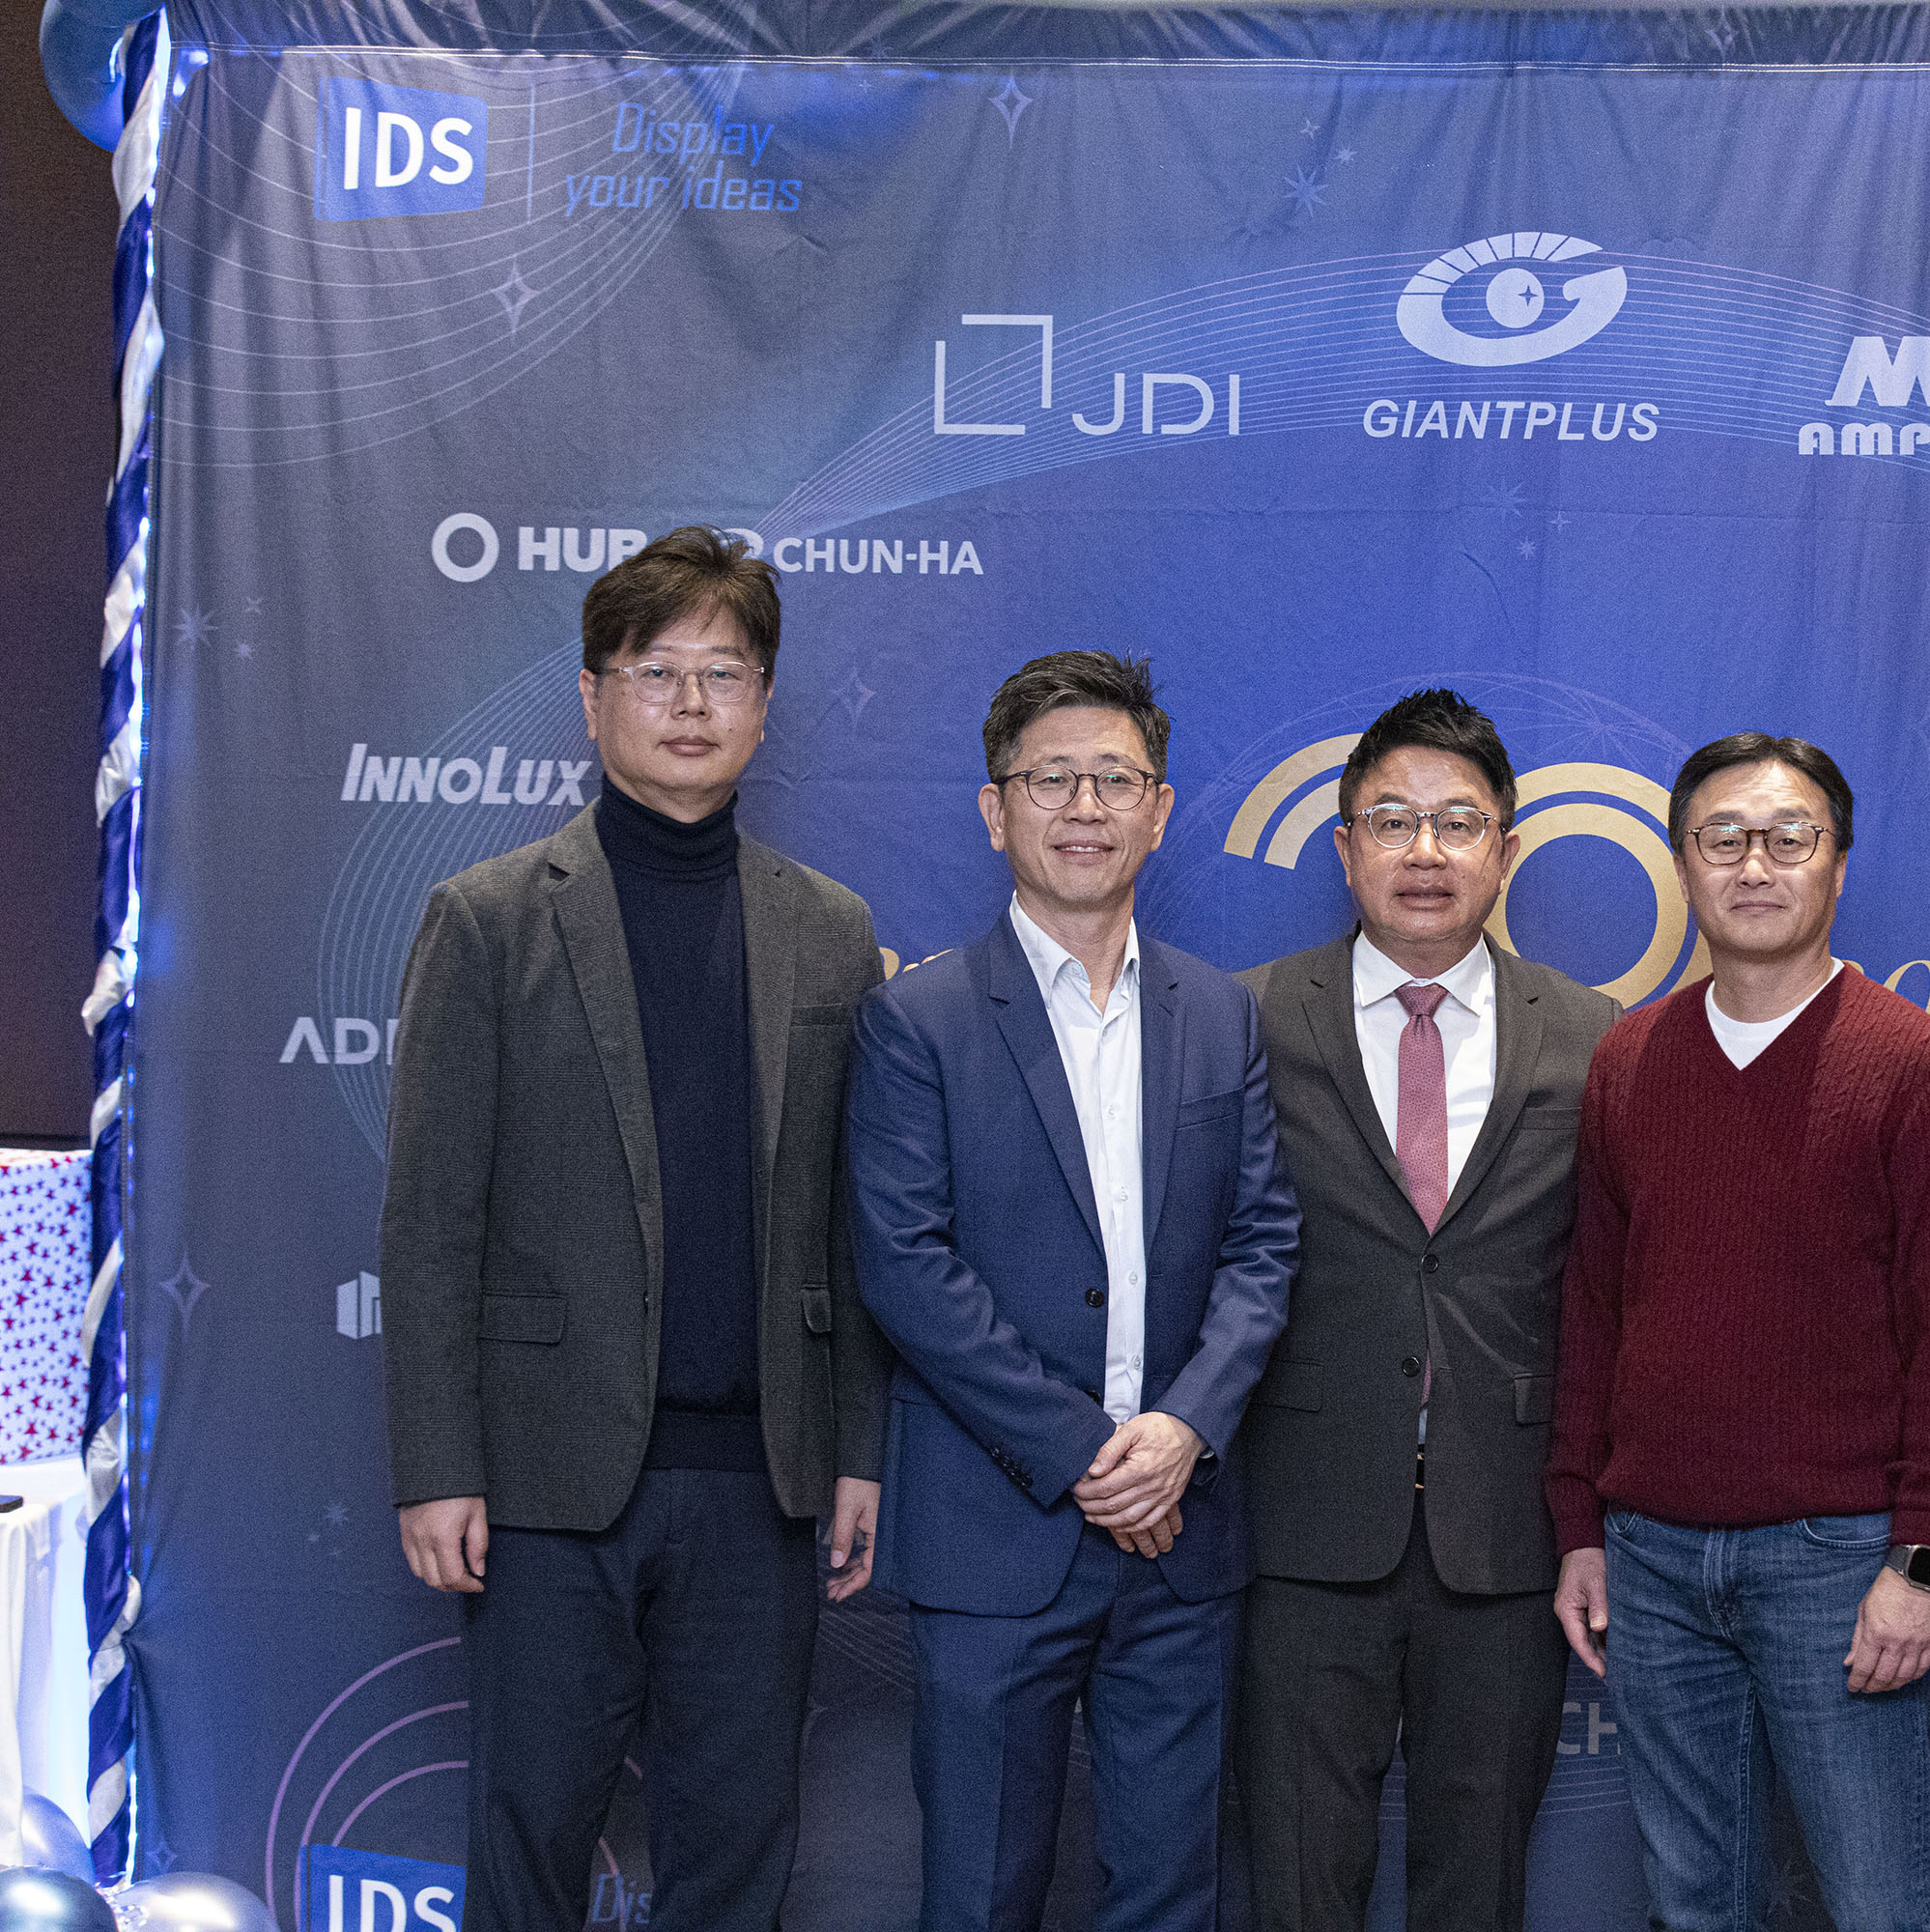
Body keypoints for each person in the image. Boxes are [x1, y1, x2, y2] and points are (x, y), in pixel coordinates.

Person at [380, 526, 888, 1932]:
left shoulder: (829, 929)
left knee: (737, 1855)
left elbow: (848, 1222)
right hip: (545, 1482)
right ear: (593, 696)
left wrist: (857, 1447)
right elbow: (429, 1221)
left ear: (764, 704)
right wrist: (438, 1465)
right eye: (656, 670)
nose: (690, 703)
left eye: (724, 672)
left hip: (758, 1485)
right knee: (529, 1843)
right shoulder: (488, 921)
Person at [848, 649, 1299, 1932]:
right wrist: (1088, 1453)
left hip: (1181, 1536)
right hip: (997, 1534)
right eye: (1052, 779)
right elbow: (906, 1264)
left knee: (1171, 1896)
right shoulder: (919, 1018)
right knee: (978, 1894)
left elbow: (1265, 1243)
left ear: (1160, 810)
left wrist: (1184, 1428)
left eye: (1116, 778)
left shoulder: (1220, 1015)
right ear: (996, 810)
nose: (1085, 806)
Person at [1547, 731, 1930, 1932]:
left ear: (1838, 863)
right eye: (1724, 838)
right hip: (1650, 1555)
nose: (1756, 864)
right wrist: (1580, 1521)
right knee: (1694, 1902)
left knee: (1885, 1902)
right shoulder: (1629, 1058)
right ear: (1682, 863)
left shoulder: (1915, 1065)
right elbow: (1595, 1307)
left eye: (1789, 837)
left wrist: (1921, 1559)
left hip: (1838, 1558)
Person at [1234, 689, 1621, 1932]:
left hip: (1504, 1533)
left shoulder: (1595, 1038)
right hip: (1299, 1525)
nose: (1426, 850)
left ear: (1507, 849)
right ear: (1343, 845)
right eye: (1393, 819)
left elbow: (1607, 1294)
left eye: (1459, 821)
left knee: (1478, 1888)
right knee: (1297, 1887)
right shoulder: (1245, 1018)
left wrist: (1588, 1513)